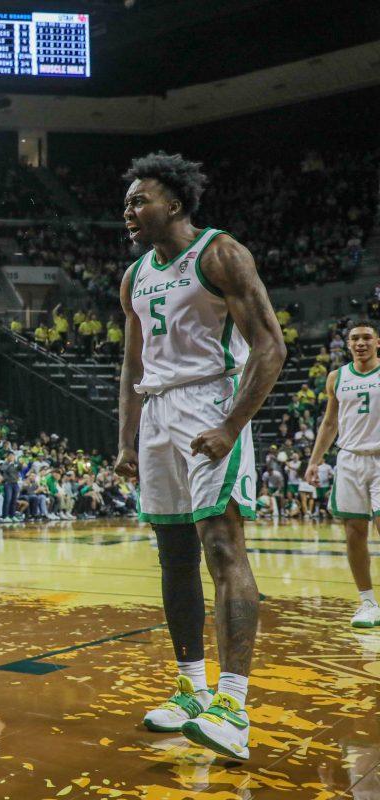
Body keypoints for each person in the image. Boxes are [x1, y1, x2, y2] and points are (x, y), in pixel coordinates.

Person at [114, 153, 286, 760]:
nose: (129, 211)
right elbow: (132, 365)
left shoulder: (220, 253)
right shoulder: (135, 275)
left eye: (141, 201)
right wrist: (126, 441)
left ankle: (233, 706)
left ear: (176, 205)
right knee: (173, 556)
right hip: (157, 413)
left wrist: (231, 424)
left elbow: (271, 346)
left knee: (221, 547)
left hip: (209, 403)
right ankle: (190, 689)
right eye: (129, 201)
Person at [304, 321, 380, 628]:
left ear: (377, 342)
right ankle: (368, 603)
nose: (360, 343)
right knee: (354, 533)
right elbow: (329, 423)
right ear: (347, 344)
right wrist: (314, 461)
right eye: (354, 339)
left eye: (366, 338)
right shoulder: (337, 377)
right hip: (349, 459)